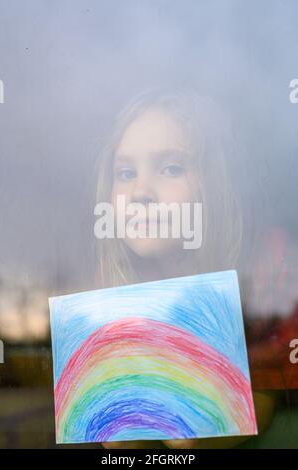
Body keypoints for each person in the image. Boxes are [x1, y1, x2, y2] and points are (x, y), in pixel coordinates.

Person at [94, 88, 275, 449]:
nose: (141, 191)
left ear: (216, 186)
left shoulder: (267, 285)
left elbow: (270, 384)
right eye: (126, 173)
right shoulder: (111, 296)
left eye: (171, 168)